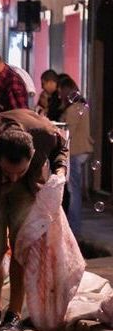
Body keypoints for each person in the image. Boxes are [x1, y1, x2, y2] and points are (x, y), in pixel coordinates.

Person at [0, 109, 68, 331]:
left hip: (29, 190)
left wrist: (60, 170)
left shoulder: (45, 133)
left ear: (32, 155)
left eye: (19, 171)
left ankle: (14, 313)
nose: (13, 179)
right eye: (9, 172)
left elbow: (62, 147)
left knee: (21, 244)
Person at [59, 76, 93, 234]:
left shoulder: (73, 110)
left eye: (61, 90)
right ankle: (74, 225)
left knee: (73, 191)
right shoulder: (83, 106)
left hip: (75, 150)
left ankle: (74, 227)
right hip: (83, 150)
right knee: (75, 189)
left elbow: (68, 132)